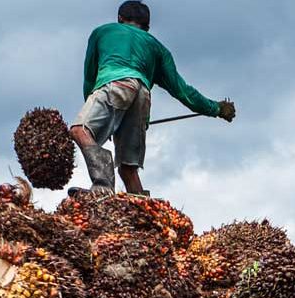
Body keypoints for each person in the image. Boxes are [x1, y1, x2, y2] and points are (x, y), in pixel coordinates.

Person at [70, 1, 236, 196]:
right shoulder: (157, 48)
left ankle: (103, 186)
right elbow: (183, 92)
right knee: (128, 167)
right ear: (147, 27)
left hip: (114, 85)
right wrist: (216, 108)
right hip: (142, 96)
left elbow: (90, 78)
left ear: (119, 19)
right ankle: (141, 209)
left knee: (79, 131)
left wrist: (98, 125)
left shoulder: (103, 32)